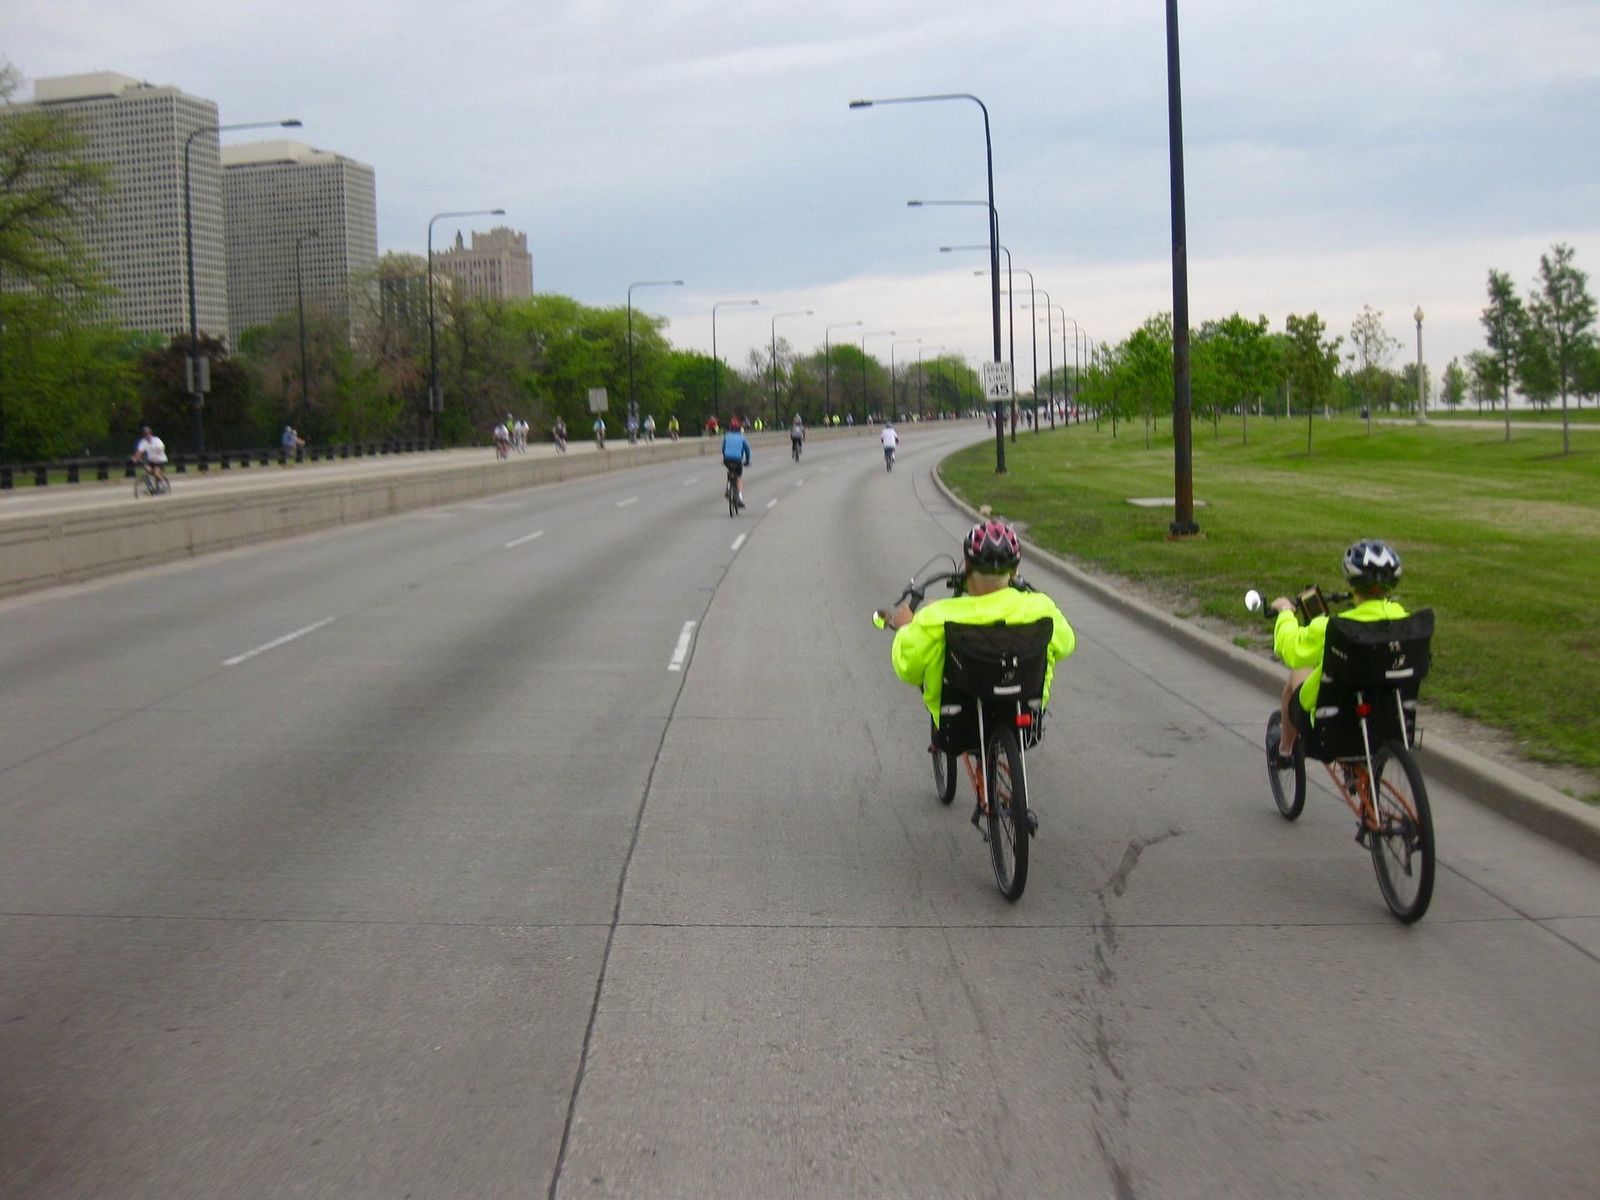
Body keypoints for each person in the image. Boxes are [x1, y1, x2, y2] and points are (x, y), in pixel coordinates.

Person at [884, 517, 1076, 751]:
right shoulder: (1042, 608)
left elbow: (908, 669)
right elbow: (1066, 645)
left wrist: (904, 628)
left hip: (959, 725)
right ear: (1014, 570)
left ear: (967, 566)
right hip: (1022, 713)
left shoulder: (935, 617)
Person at [1269, 539, 1409, 763]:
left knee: (1299, 670)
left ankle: (1284, 751)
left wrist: (1285, 612)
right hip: (1387, 715)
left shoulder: (1334, 628)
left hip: (1330, 724)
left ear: (1352, 581)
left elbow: (1291, 648)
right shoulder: (1404, 621)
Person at [721, 416, 751, 508]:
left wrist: (724, 458)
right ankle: (740, 498)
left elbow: (723, 448)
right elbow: (747, 450)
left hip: (727, 459)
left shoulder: (726, 436)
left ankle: (728, 488)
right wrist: (747, 461)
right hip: (737, 460)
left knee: (730, 471)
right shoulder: (742, 437)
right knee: (738, 477)